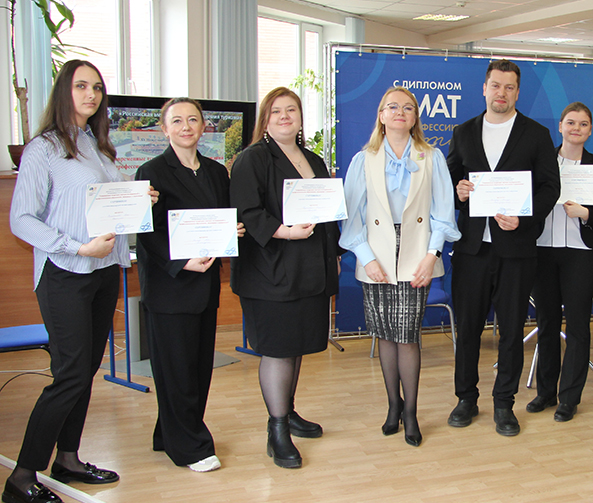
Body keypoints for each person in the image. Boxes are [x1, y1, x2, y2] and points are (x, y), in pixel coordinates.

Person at [5, 60, 157, 503]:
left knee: (86, 369)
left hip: (104, 271)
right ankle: (22, 476)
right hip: (65, 272)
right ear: (63, 92)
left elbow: (108, 205)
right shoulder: (44, 149)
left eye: (97, 88)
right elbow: (21, 219)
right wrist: (75, 246)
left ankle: (67, 458)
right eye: (81, 86)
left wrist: (138, 197)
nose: (91, 94)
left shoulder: (99, 147)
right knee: (69, 373)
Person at [339, 87, 461, 447]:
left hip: (416, 255)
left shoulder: (431, 157)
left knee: (407, 335)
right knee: (385, 334)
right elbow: (352, 217)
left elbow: (443, 213)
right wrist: (366, 257)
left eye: (408, 107)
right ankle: (393, 405)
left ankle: (411, 412)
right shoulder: (363, 159)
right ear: (381, 115)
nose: (400, 112)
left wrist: (431, 256)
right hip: (375, 256)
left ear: (415, 117)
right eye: (392, 106)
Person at [230, 87, 343, 468]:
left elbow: (328, 214)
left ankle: (288, 412)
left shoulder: (314, 160)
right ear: (265, 119)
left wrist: (334, 255)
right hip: (270, 272)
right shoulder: (252, 159)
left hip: (310, 270)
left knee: (295, 345)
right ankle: (276, 430)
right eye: (276, 111)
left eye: (291, 110)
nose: (284, 116)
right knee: (278, 349)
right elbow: (247, 212)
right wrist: (285, 232)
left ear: (300, 117)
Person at [446, 59, 560, 437]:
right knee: (468, 329)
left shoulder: (536, 134)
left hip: (516, 248)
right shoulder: (463, 132)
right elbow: (448, 182)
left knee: (511, 330)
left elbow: (550, 188)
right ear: (484, 88)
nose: (501, 93)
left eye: (509, 87)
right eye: (496, 85)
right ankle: (466, 398)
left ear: (517, 92)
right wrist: (459, 192)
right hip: (472, 249)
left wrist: (524, 220)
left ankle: (503, 403)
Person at [135, 98, 244, 473]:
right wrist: (181, 262)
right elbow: (146, 232)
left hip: (205, 285)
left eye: (193, 119)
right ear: (164, 129)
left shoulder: (215, 172)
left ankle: (167, 433)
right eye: (177, 120)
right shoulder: (151, 172)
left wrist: (233, 231)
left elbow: (223, 219)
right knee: (176, 370)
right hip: (170, 285)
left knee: (196, 369)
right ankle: (190, 448)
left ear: (203, 127)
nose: (186, 126)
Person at [526, 102, 593, 423]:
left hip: (579, 253)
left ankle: (569, 398)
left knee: (577, 326)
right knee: (546, 323)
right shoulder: (541, 160)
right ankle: (546, 392)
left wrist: (585, 212)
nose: (576, 128)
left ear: (590, 130)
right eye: (571, 122)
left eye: (583, 124)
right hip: (543, 250)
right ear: (560, 126)